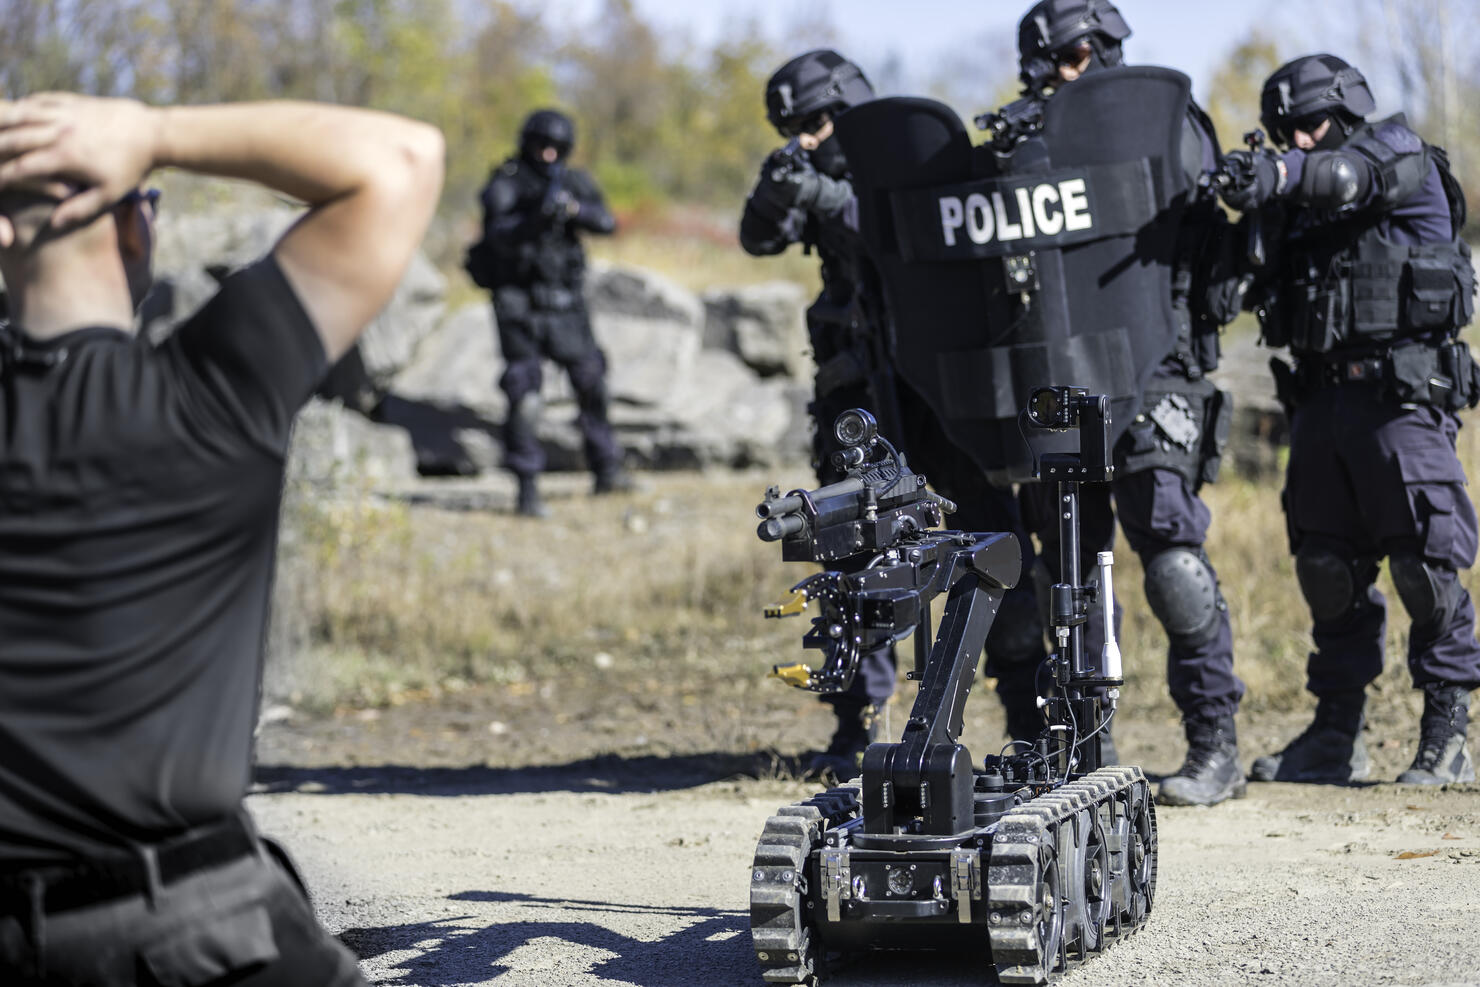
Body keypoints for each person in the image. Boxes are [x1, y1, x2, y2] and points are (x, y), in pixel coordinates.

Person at [0, 93, 444, 983]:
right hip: (199, 936)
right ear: (137, 228)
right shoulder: (209, 396)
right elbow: (400, 159)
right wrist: (155, 134)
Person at [741, 50, 1048, 778]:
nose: (807, 139)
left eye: (816, 124)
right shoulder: (815, 170)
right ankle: (861, 726)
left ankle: (1031, 723)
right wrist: (783, 187)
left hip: (936, 393)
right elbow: (758, 238)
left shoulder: (912, 159)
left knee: (990, 545)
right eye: (794, 130)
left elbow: (900, 235)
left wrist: (827, 197)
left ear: (851, 108)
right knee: (848, 550)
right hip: (859, 395)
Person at [997, 0, 1247, 806]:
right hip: (1063, 378)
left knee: (1174, 565)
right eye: (1046, 66)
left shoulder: (1168, 121)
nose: (1061, 77)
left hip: (1155, 366)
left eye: (1073, 58)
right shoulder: (1029, 134)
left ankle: (1215, 746)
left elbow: (1201, 219)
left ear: (1103, 50)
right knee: (1063, 575)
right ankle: (1085, 752)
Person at [1217, 54, 1479, 785]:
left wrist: (1279, 176)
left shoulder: (1398, 154)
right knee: (1326, 568)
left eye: (1309, 126)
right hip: (1321, 402)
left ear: (1347, 108)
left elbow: (1344, 177)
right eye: (1285, 134)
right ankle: (1336, 735)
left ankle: (1447, 731)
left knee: (1424, 566)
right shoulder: (1301, 206)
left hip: (1400, 395)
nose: (1298, 142)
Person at [468, 109, 625, 518]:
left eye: (556, 147)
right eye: (541, 145)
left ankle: (608, 469)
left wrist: (572, 210)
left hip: (566, 305)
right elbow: (495, 234)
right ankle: (527, 489)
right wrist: (533, 219)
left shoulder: (572, 182)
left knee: (592, 383)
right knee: (526, 396)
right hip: (518, 304)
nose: (548, 153)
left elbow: (608, 222)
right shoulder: (506, 181)